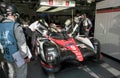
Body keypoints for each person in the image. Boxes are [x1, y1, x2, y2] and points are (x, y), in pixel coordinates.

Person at [0, 2, 32, 78]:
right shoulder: (16, 26)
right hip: (17, 54)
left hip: (6, 53)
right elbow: (22, 43)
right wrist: (25, 57)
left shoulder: (0, 26)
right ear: (13, 14)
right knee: (21, 72)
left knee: (11, 72)